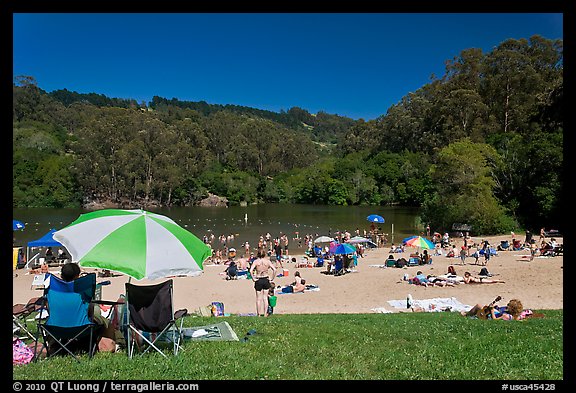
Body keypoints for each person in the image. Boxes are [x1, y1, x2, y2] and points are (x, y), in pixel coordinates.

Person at [249, 250, 277, 317]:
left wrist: (253, 278)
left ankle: (258, 314)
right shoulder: (267, 261)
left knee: (258, 298)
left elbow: (250, 270)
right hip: (265, 278)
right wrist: (272, 278)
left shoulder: (256, 261)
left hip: (258, 279)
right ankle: (265, 314)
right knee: (265, 298)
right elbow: (274, 269)